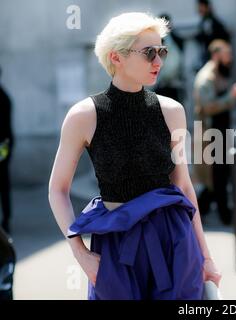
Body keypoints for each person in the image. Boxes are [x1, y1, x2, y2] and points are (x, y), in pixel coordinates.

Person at [48, 12, 221, 300]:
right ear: (116, 57)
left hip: (174, 241)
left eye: (161, 51)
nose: (159, 61)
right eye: (149, 52)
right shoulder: (83, 116)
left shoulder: (173, 111)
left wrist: (206, 256)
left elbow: (184, 186)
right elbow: (57, 189)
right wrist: (81, 254)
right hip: (116, 246)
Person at [193, 39, 236, 225]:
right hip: (211, 136)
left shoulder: (219, 73)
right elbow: (207, 107)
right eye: (226, 54)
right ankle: (222, 216)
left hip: (221, 134)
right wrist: (231, 96)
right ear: (216, 55)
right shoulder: (206, 78)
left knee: (220, 178)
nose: (230, 58)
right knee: (215, 179)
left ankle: (209, 213)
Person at [195, 0, 231, 65]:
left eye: (201, 7)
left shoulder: (213, 22)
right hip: (209, 55)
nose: (199, 10)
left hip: (215, 56)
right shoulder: (204, 21)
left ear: (207, 7)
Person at [0, 66, 13, 234]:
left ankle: (6, 220)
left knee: (3, 185)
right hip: (4, 147)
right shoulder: (5, 96)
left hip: (2, 148)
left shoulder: (3, 98)